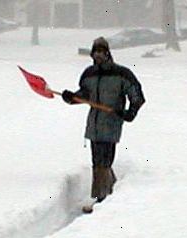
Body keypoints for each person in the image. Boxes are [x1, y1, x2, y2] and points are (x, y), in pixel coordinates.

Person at [62, 36, 145, 203]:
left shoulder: (122, 74)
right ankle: (109, 190)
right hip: (94, 124)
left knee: (104, 160)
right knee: (97, 161)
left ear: (108, 53)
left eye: (102, 52)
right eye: (96, 52)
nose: (98, 55)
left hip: (112, 122)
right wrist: (71, 97)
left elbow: (137, 96)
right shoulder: (89, 74)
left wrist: (130, 112)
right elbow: (85, 95)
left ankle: (101, 197)